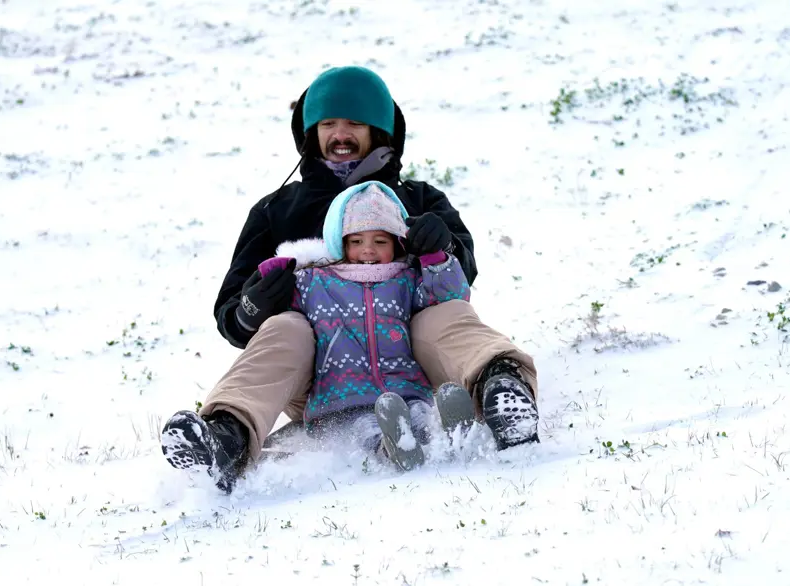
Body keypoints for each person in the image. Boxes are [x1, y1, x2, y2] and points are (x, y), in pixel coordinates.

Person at [160, 66, 540, 493]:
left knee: (441, 312)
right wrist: (254, 303)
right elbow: (232, 318)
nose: (340, 134)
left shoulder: (417, 199)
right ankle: (226, 437)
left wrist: (443, 246)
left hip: (410, 366)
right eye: (327, 124)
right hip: (325, 379)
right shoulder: (275, 211)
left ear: (380, 131)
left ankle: (504, 390)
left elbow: (460, 276)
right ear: (310, 133)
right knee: (287, 326)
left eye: (354, 123)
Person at [259, 180, 474, 471]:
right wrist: (273, 275)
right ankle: (391, 450)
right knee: (367, 428)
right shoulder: (319, 281)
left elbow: (448, 296)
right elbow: (287, 301)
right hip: (344, 396)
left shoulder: (406, 279)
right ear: (341, 243)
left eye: (380, 241)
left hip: (404, 387)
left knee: (420, 414)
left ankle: (449, 437)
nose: (368, 250)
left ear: (397, 243)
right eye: (356, 241)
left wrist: (436, 260)